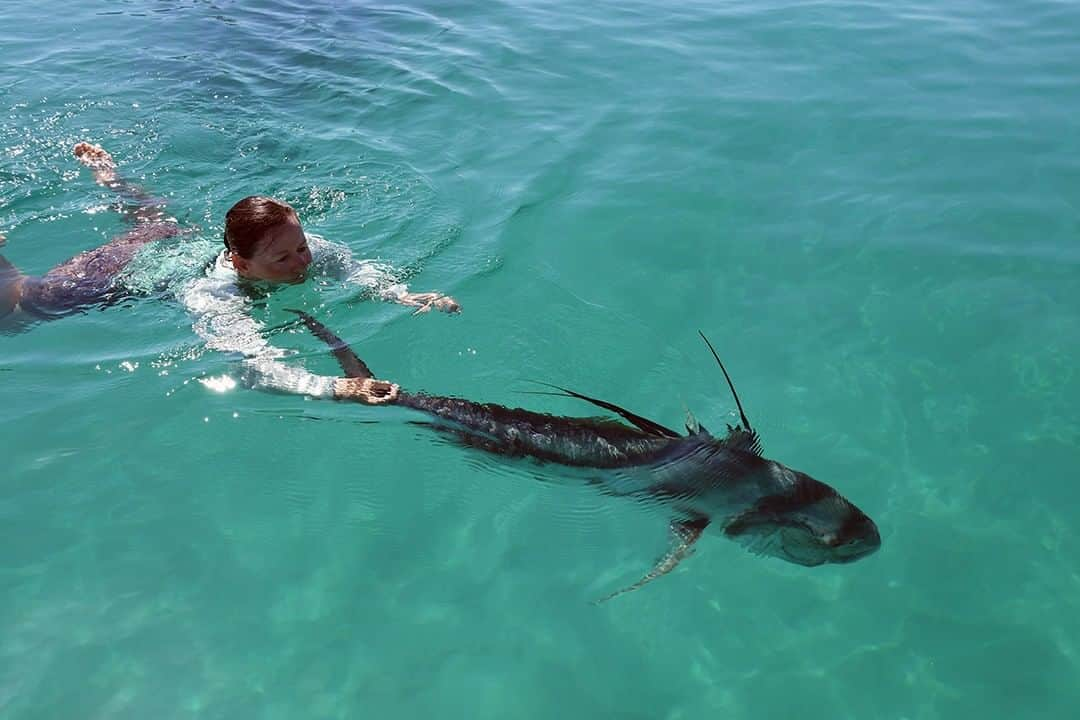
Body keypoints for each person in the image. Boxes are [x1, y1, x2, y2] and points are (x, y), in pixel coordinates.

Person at [1, 142, 460, 403]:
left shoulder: (301, 246)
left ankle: (107, 174)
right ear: (240, 263)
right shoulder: (214, 296)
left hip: (171, 241)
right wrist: (336, 387)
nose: (303, 262)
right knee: (28, 301)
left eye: (301, 248)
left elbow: (352, 268)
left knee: (153, 221)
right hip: (114, 275)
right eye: (284, 259)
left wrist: (401, 295)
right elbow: (254, 369)